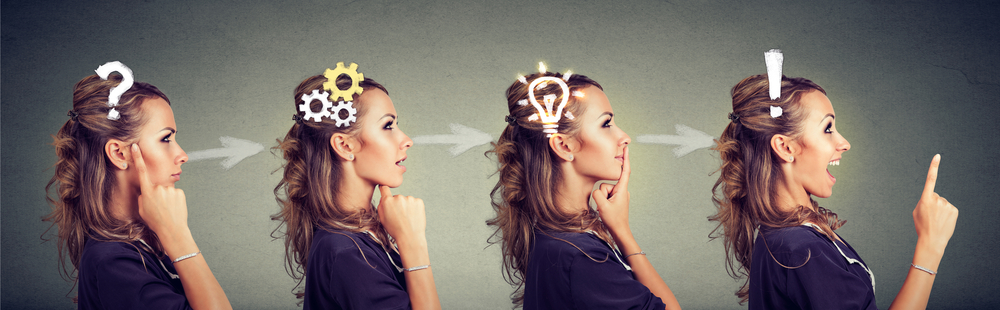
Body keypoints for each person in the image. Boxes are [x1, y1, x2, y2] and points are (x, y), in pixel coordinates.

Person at [709, 74, 959, 309]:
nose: (844, 143)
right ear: (785, 147)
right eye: (828, 128)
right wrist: (931, 245)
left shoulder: (788, 237)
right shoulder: (801, 250)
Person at [486, 68, 682, 310]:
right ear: (564, 146)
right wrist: (623, 234)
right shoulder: (584, 258)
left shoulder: (550, 236)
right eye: (606, 124)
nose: (625, 137)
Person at [44, 72, 232, 309]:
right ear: (119, 154)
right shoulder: (114, 263)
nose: (182, 155)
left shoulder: (143, 242)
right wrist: (179, 237)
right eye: (166, 139)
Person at [272, 66, 440, 309]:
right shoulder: (345, 253)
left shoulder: (361, 236)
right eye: (388, 126)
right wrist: (413, 242)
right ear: (345, 146)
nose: (407, 140)